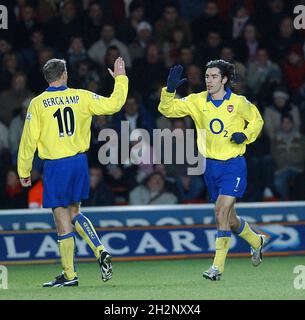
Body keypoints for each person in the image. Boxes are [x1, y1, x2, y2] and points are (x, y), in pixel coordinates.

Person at [17, 57, 128, 287]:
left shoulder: (37, 103)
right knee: (75, 211)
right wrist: (120, 79)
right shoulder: (82, 96)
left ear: (47, 78)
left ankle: (69, 275)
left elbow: (28, 140)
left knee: (61, 218)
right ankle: (100, 250)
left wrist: (24, 170)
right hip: (79, 162)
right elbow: (113, 105)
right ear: (65, 74)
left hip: (56, 165)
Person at [158, 60, 265, 281]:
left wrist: (245, 135)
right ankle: (256, 241)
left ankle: (217, 267)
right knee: (230, 218)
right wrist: (169, 91)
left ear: (224, 79)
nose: (209, 80)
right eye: (207, 76)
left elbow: (257, 120)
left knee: (219, 212)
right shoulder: (197, 101)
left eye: (214, 76)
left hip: (233, 164)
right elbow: (167, 109)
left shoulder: (238, 102)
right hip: (210, 166)